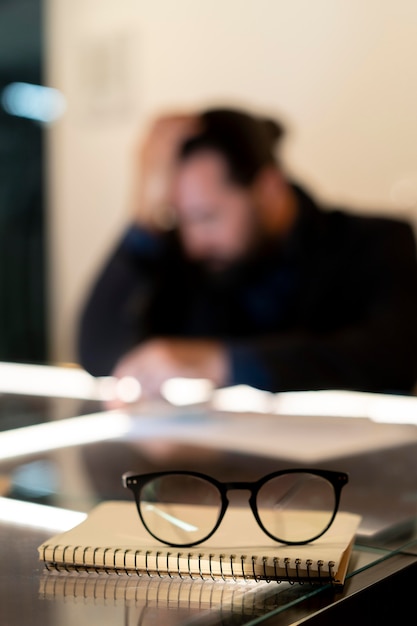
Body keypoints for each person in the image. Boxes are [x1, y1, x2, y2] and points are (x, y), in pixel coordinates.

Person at [77, 107, 417, 399]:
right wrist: (144, 222)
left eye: (207, 216)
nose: (194, 242)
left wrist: (219, 362)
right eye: (179, 218)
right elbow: (99, 355)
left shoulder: (376, 241)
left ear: (269, 189)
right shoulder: (187, 257)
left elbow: (395, 359)